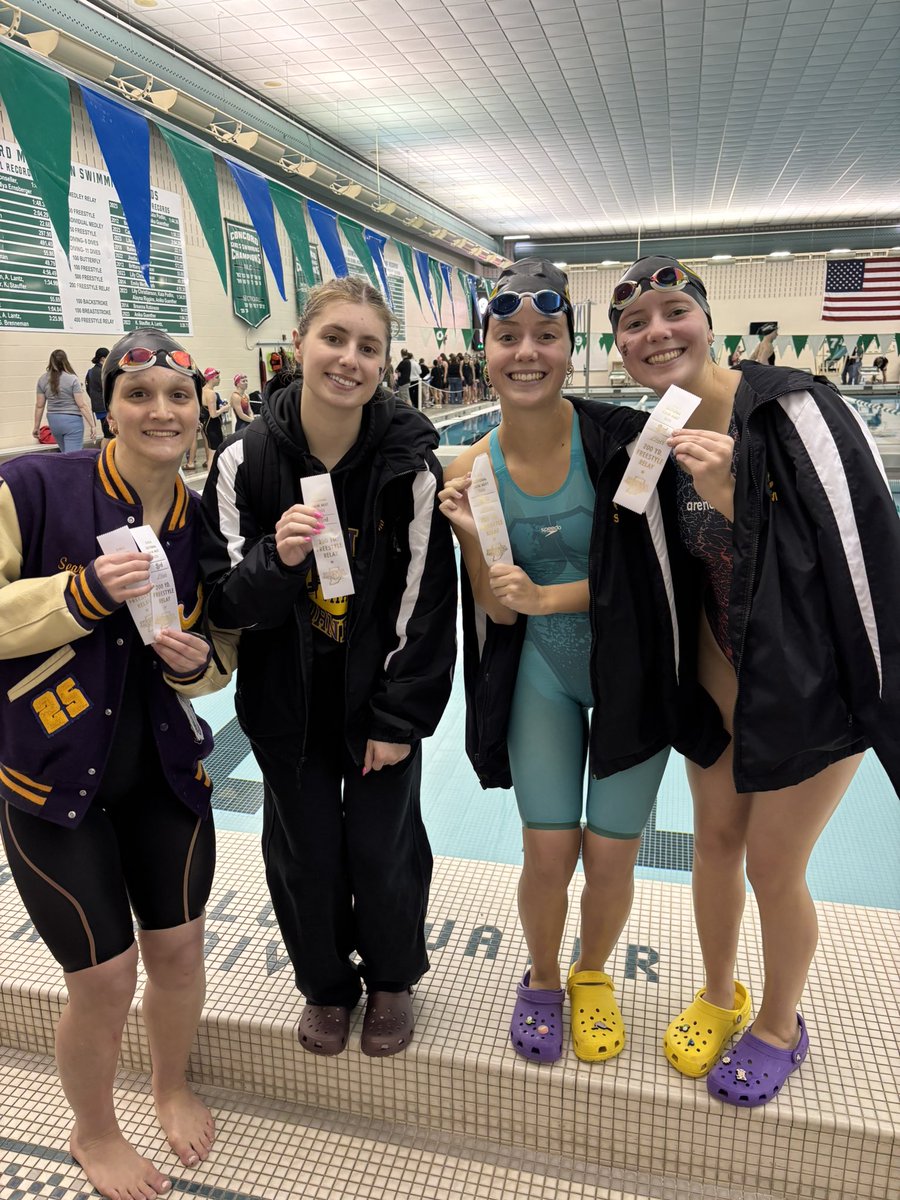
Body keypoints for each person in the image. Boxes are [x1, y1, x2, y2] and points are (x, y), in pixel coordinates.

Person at [609, 254, 900, 1107]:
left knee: (775, 865)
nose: (658, 333)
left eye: (674, 312)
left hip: (814, 681)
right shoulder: (657, 429)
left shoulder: (797, 408)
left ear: (709, 320)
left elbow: (859, 551)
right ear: (622, 345)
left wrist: (731, 493)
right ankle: (717, 991)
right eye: (635, 324)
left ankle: (780, 1022)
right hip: (719, 676)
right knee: (714, 847)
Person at [439, 259, 718, 1066]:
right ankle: (542, 977)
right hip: (544, 681)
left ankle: (592, 974)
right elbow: (496, 608)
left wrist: (548, 598)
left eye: (547, 337)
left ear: (572, 348)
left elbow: (644, 583)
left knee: (610, 853)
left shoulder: (625, 442)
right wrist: (464, 532)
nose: (527, 352)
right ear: (482, 349)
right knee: (548, 852)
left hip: (632, 676)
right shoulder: (470, 469)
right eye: (508, 337)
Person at [0, 328, 237, 1198]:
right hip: (51, 783)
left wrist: (197, 665)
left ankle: (169, 1084)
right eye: (140, 394)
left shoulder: (197, 517)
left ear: (199, 411)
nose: (161, 410)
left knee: (178, 952)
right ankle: (93, 1131)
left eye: (178, 395)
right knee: (103, 979)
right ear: (107, 409)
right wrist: (81, 593)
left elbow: (218, 655)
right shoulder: (30, 486)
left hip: (162, 773)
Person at [200, 276, 457, 1059]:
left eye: (368, 346)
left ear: (383, 361)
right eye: (334, 339)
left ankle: (390, 979)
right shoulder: (244, 460)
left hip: (374, 696)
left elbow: (424, 603)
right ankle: (324, 984)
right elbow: (222, 602)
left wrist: (398, 718)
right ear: (301, 344)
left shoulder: (408, 461)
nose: (349, 358)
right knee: (303, 848)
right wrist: (277, 562)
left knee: (383, 845)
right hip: (286, 698)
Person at [34, 350, 96, 451]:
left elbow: (39, 405)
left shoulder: (42, 379)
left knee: (65, 455)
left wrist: (36, 427)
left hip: (54, 421)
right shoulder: (72, 379)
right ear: (65, 361)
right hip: (72, 421)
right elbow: (82, 405)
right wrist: (92, 425)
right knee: (73, 458)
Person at [85, 346, 111, 445]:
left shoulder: (90, 372)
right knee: (109, 435)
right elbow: (109, 389)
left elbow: (89, 390)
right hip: (105, 407)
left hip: (98, 407)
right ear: (103, 358)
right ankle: (104, 456)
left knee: (107, 434)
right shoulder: (103, 372)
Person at [201, 368, 226, 458]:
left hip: (209, 426)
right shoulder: (211, 393)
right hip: (213, 427)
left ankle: (213, 471)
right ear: (211, 379)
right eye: (217, 377)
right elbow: (213, 414)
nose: (219, 379)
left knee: (211, 454)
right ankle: (212, 472)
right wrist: (224, 408)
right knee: (213, 455)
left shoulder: (202, 390)